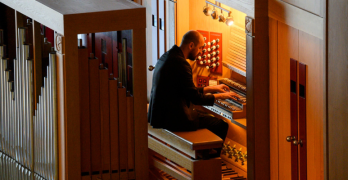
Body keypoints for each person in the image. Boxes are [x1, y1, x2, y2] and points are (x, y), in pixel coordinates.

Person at [148, 30, 236, 146]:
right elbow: (195, 99)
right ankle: (209, 159)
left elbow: (186, 90)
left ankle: (204, 152)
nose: (200, 52)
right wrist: (221, 96)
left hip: (160, 115)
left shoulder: (168, 56)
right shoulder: (181, 64)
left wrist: (212, 88)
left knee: (204, 115)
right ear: (191, 45)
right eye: (200, 48)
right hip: (172, 119)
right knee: (221, 125)